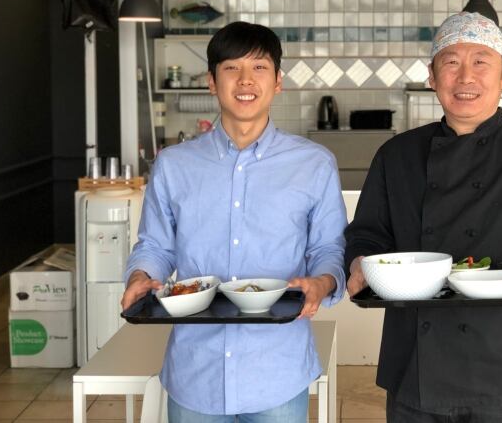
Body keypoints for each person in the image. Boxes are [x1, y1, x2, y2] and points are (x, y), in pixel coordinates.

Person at [344, 12, 502, 422]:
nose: (466, 77)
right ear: (432, 76)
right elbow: (367, 236)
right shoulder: (396, 155)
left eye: (481, 61)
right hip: (416, 364)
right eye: (451, 62)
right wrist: (358, 265)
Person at [120, 21, 347, 422]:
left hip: (277, 368)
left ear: (278, 81)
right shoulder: (174, 165)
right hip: (196, 369)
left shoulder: (314, 164)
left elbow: (327, 248)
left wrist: (322, 282)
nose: (245, 80)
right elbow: (156, 246)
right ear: (211, 81)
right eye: (231, 68)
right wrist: (141, 276)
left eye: (259, 68)